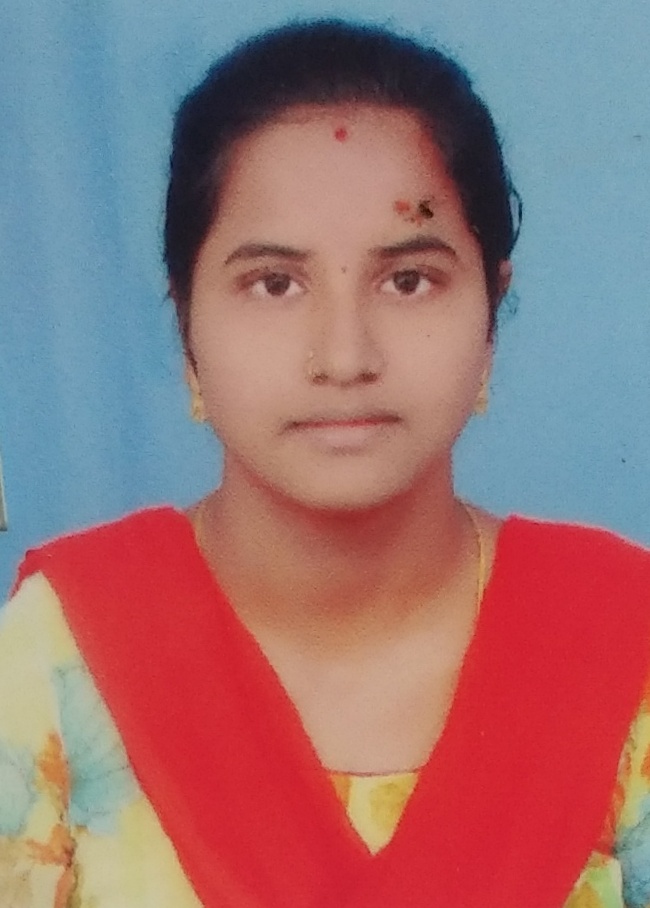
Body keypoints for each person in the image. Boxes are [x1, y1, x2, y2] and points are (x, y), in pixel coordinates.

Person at [1, 18, 649, 908]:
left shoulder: (621, 641)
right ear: (186, 326)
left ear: (491, 316)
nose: (344, 357)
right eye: (274, 283)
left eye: (408, 280)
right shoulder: (52, 659)